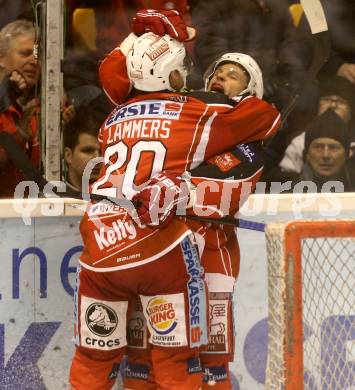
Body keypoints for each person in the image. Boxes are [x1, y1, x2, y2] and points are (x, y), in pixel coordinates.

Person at [69, 20, 280, 390]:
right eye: (219, 72)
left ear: (252, 91)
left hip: (194, 251)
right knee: (146, 358)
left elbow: (228, 186)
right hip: (164, 245)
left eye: (236, 76)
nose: (222, 79)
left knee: (209, 361)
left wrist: (138, 36)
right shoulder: (197, 113)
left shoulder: (120, 113)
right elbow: (267, 118)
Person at [278, 76, 355, 175]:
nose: (333, 105)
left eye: (341, 101)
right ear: (317, 107)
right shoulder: (299, 141)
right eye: (327, 99)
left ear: (350, 113)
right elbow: (286, 177)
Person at [0, 19, 40, 198]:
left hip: (38, 214)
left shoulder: (49, 107)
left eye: (38, 55)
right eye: (25, 53)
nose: (33, 61)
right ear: (1, 58)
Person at [268, 109, 353, 192]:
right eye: (318, 147)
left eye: (333, 148)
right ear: (306, 154)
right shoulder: (281, 190)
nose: (325, 155)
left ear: (347, 154)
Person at [63, 108, 103, 193]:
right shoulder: (50, 196)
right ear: (68, 155)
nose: (98, 158)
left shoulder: (114, 196)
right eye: (88, 151)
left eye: (102, 152)